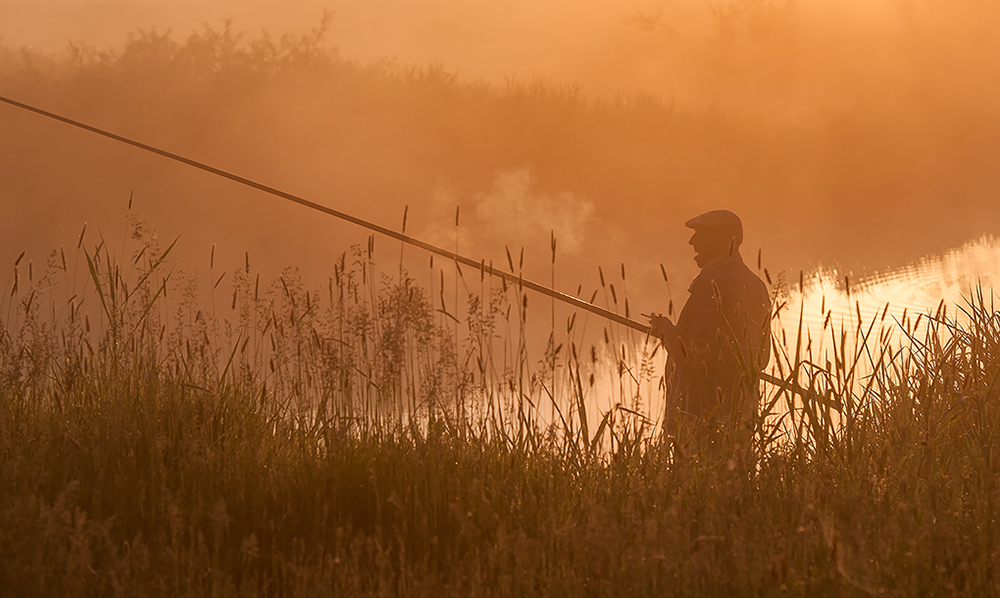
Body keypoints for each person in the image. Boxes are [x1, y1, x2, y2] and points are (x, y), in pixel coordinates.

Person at [649, 210, 771, 456]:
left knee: (696, 490)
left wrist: (667, 333)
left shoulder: (712, 282)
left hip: (700, 418)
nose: (691, 242)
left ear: (725, 240)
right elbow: (762, 357)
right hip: (741, 419)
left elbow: (697, 355)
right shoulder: (757, 284)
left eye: (700, 235)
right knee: (736, 486)